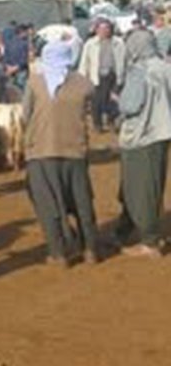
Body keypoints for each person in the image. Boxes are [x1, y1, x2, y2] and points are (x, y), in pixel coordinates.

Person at [23, 40, 100, 267]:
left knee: (48, 203)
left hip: (41, 151)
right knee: (81, 201)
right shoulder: (84, 84)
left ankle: (58, 253)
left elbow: (26, 115)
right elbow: (89, 105)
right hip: (75, 150)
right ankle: (90, 250)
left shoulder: (35, 82)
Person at [113, 29, 171, 258]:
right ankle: (124, 229)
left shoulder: (140, 71)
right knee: (151, 185)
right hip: (160, 135)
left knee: (140, 188)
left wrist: (118, 101)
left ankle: (150, 241)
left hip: (140, 138)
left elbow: (129, 105)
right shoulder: (165, 67)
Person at [79, 19, 127, 133]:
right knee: (96, 102)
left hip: (113, 76)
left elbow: (124, 61)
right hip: (96, 76)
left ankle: (112, 122)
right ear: (96, 30)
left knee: (113, 101)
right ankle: (97, 124)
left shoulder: (118, 43)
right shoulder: (90, 44)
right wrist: (82, 78)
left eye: (107, 28)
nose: (104, 31)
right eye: (101, 28)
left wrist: (122, 77)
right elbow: (84, 62)